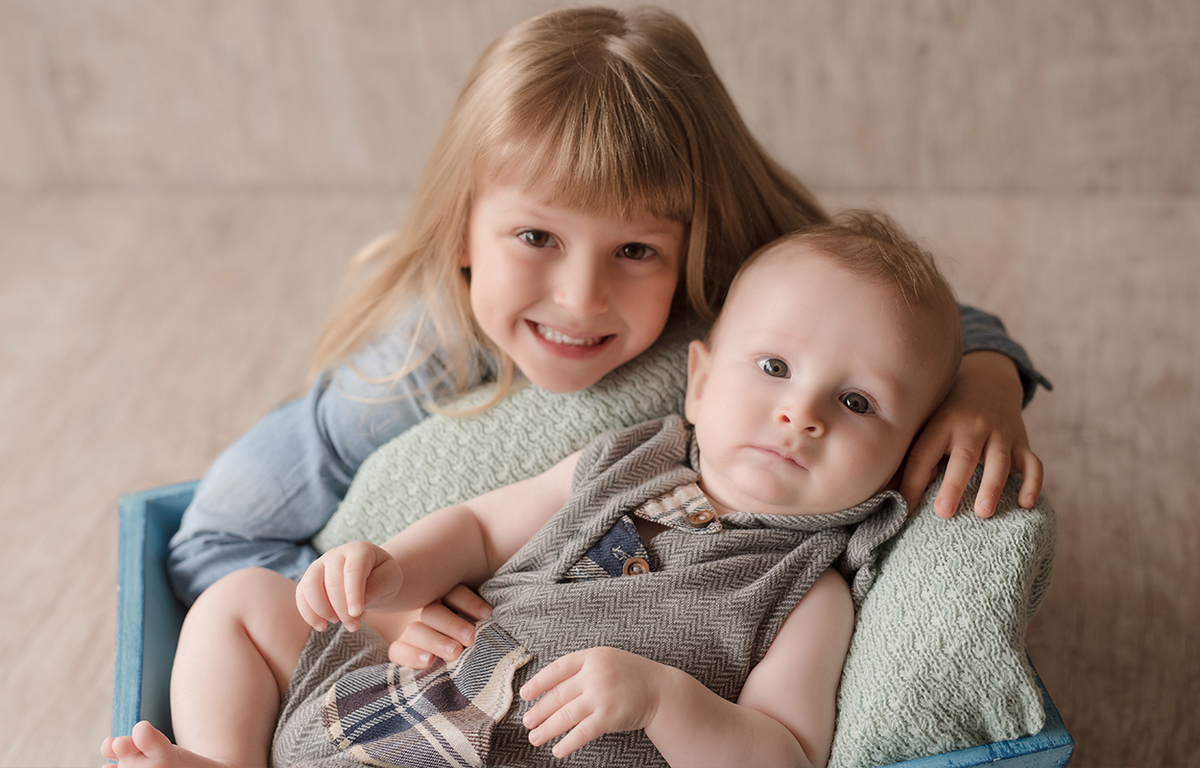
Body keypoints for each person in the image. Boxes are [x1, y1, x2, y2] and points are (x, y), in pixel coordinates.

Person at [166, 7, 1046, 617]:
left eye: (635, 251)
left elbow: (913, 316)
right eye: (535, 238)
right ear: (463, 230)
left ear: (697, 241)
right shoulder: (405, 373)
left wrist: (986, 384)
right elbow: (209, 539)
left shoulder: (731, 279)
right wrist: (375, 616)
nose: (580, 299)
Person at [103, 211, 965, 767]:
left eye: (856, 403)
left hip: (521, 753)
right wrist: (395, 572)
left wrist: (667, 703)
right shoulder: (629, 456)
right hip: (394, 693)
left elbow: (785, 754)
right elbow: (481, 528)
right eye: (773, 367)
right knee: (241, 602)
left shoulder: (808, 589)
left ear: (903, 456)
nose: (799, 414)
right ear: (698, 384)